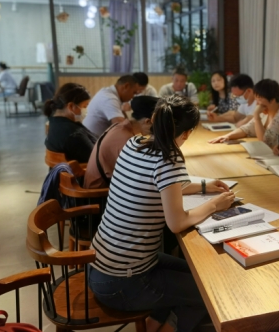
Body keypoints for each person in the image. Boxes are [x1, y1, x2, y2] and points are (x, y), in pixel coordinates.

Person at [88, 95, 236, 332]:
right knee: (209, 291)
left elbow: (162, 185)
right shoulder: (169, 159)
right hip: (124, 281)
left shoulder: (135, 142)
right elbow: (177, 223)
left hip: (99, 266)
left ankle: (154, 324)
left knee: (198, 274)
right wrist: (214, 205)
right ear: (187, 133)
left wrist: (204, 186)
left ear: (154, 119)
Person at [84, 96, 159, 189]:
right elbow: (139, 177)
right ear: (148, 122)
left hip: (104, 187)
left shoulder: (120, 127)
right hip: (98, 193)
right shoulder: (126, 139)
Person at [209, 79, 279, 149]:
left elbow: (265, 142)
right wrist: (227, 136)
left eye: (259, 99)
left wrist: (256, 116)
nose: (257, 104)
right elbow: (247, 129)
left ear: (272, 100)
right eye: (256, 99)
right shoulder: (265, 110)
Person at [44, 83, 97, 163]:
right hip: (85, 170)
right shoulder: (74, 135)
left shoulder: (54, 123)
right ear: (71, 106)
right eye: (84, 106)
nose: (86, 110)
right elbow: (97, 160)